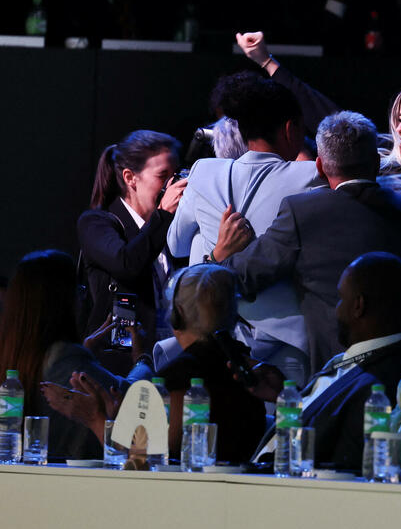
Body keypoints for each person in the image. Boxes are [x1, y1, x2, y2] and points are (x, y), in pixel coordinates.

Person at [211, 111, 401, 374]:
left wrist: (219, 256)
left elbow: (243, 276)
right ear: (376, 163)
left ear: (320, 167)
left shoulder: (302, 211)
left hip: (340, 375)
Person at [164, 74, 324, 383]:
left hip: (216, 337)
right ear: (291, 129)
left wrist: (216, 249)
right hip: (285, 344)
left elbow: (176, 247)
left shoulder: (204, 171)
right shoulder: (309, 177)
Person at [233, 31, 401, 196]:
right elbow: (327, 116)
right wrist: (266, 62)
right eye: (399, 119)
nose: (400, 129)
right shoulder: (386, 166)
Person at [247, 253, 401, 471]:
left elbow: (341, 464)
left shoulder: (385, 384)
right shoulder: (352, 362)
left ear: (358, 305)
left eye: (341, 297)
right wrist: (287, 399)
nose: (336, 309)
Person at [0, 250, 152, 461]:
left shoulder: (13, 358)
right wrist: (142, 357)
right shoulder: (67, 360)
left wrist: (84, 353)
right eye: (79, 291)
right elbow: (131, 397)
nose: (83, 298)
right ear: (63, 302)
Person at [78, 130, 188, 348]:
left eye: (176, 175)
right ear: (130, 178)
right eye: (163, 176)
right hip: (121, 364)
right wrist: (163, 213)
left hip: (171, 355)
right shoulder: (96, 223)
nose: (172, 185)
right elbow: (127, 264)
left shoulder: (173, 229)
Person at [157, 264, 265, 464]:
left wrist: (98, 421)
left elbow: (156, 458)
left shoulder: (175, 379)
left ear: (177, 314)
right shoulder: (252, 372)